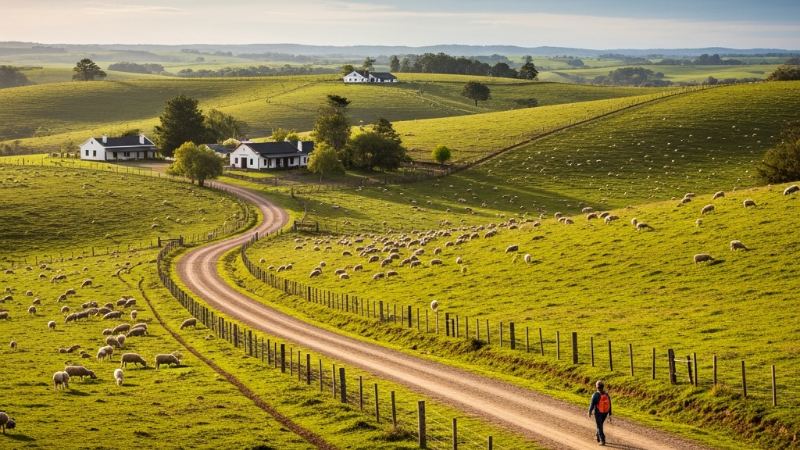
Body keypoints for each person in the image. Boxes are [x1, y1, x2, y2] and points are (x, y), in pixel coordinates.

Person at [588, 380, 612, 445]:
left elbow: (592, 405)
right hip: (605, 412)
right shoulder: (607, 394)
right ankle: (597, 436)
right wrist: (610, 414)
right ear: (603, 387)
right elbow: (609, 404)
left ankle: (602, 439)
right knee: (600, 425)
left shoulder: (595, 395)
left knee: (599, 426)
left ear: (597, 387)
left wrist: (589, 412)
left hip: (598, 413)